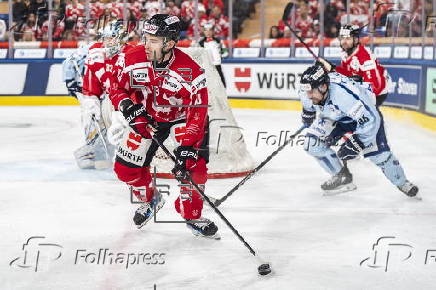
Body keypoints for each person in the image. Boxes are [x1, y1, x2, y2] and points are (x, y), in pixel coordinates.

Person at [108, 14, 219, 239]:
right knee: (125, 169)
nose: (146, 45)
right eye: (145, 38)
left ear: (169, 43)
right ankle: (151, 199)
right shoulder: (131, 58)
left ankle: (192, 215)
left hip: (181, 119)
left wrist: (188, 146)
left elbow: (197, 112)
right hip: (146, 116)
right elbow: (115, 87)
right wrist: (129, 107)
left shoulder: (190, 72)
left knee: (192, 168)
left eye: (154, 40)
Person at [299, 62, 419, 198]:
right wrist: (307, 112)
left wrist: (357, 142)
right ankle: (342, 177)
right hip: (337, 117)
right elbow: (307, 101)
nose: (308, 95)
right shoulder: (308, 90)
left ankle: (402, 182)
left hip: (365, 117)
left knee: (379, 156)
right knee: (312, 143)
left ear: (323, 86)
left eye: (311, 92)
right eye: (307, 92)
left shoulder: (344, 96)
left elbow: (371, 119)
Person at [72, 20, 130, 169]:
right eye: (104, 38)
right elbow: (91, 89)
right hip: (109, 101)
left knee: (121, 116)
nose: (106, 42)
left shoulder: (132, 55)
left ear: (121, 39)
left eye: (110, 38)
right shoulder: (96, 54)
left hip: (128, 101)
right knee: (90, 111)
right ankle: (97, 149)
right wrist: (91, 104)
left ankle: (129, 149)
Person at [318, 24, 389, 107]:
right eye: (342, 38)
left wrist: (357, 82)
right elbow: (347, 74)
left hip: (377, 94)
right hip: (361, 90)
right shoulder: (346, 53)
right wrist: (332, 68)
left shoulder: (364, 56)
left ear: (355, 40)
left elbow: (374, 86)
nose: (344, 41)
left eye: (348, 38)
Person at [196, 22, 227, 87]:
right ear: (203, 32)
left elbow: (225, 52)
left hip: (217, 65)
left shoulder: (218, 41)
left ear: (213, 31)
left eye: (210, 30)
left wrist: (221, 56)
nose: (208, 32)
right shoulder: (200, 43)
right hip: (206, 66)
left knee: (220, 82)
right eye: (206, 30)